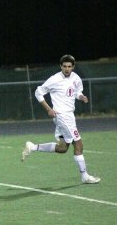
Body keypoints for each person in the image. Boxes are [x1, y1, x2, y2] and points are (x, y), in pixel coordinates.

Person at [21, 54, 100, 184]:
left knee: (63, 148)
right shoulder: (55, 79)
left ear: (73, 67)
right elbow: (38, 92)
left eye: (69, 66)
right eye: (64, 66)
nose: (67, 69)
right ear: (61, 66)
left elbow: (76, 92)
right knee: (78, 144)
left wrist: (81, 97)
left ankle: (32, 147)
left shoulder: (76, 78)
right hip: (62, 116)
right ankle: (85, 176)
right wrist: (49, 109)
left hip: (69, 116)